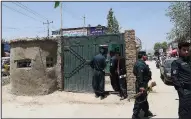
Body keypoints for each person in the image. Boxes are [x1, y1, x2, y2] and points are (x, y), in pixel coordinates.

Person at [171, 42, 191, 119]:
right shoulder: (176, 63)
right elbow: (174, 78)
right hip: (185, 91)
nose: (186, 51)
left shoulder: (189, 62)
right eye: (184, 50)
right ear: (179, 51)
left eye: (187, 50)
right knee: (185, 112)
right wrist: (181, 90)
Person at [132, 52, 153, 119]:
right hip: (142, 84)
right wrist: (141, 86)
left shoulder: (139, 62)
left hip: (143, 83)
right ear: (142, 56)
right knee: (139, 100)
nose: (146, 56)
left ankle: (146, 111)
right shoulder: (140, 64)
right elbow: (139, 75)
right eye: (145, 55)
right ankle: (135, 115)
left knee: (144, 98)